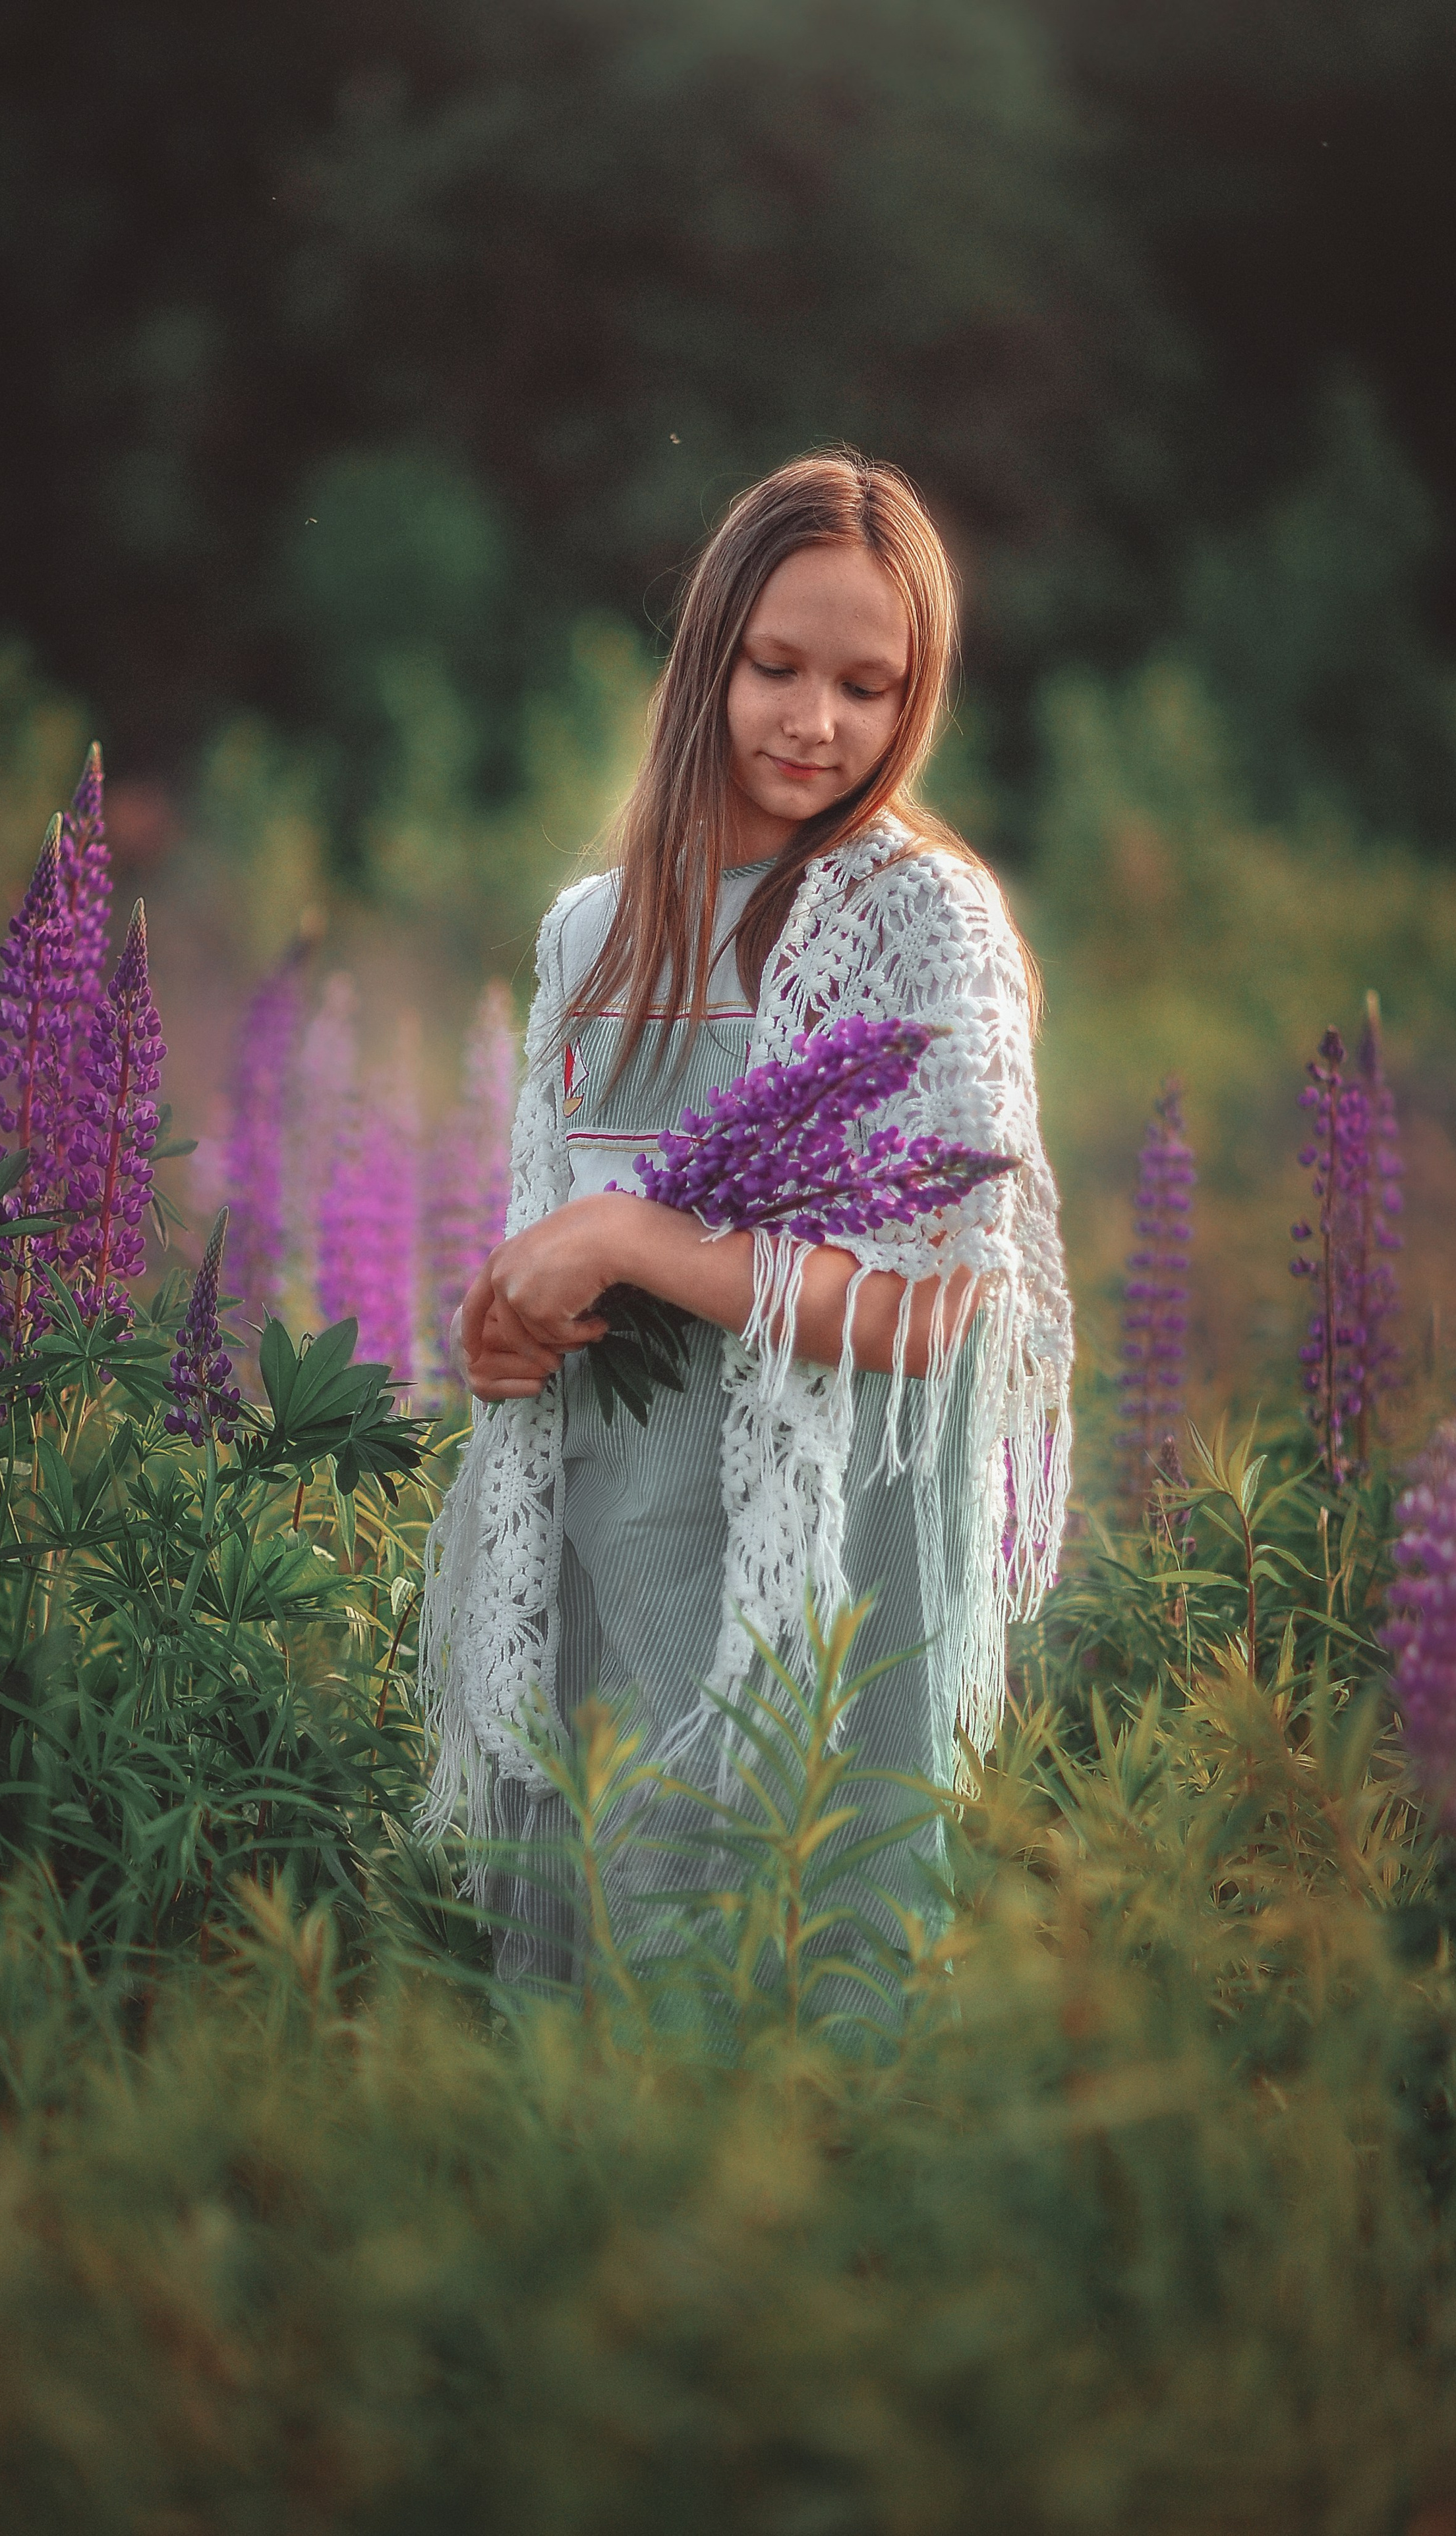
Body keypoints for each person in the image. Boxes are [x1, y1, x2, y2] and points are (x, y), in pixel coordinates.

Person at [419, 450, 1072, 2003]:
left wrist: (635, 1241)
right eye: (777, 666)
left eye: (866, 684)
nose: (815, 721)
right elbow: (543, 1242)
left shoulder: (922, 917)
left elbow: (935, 1305)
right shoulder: (594, 933)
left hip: (822, 1571)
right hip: (618, 1537)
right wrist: (505, 1312)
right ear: (710, 649)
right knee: (618, 1991)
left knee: (809, 1985)